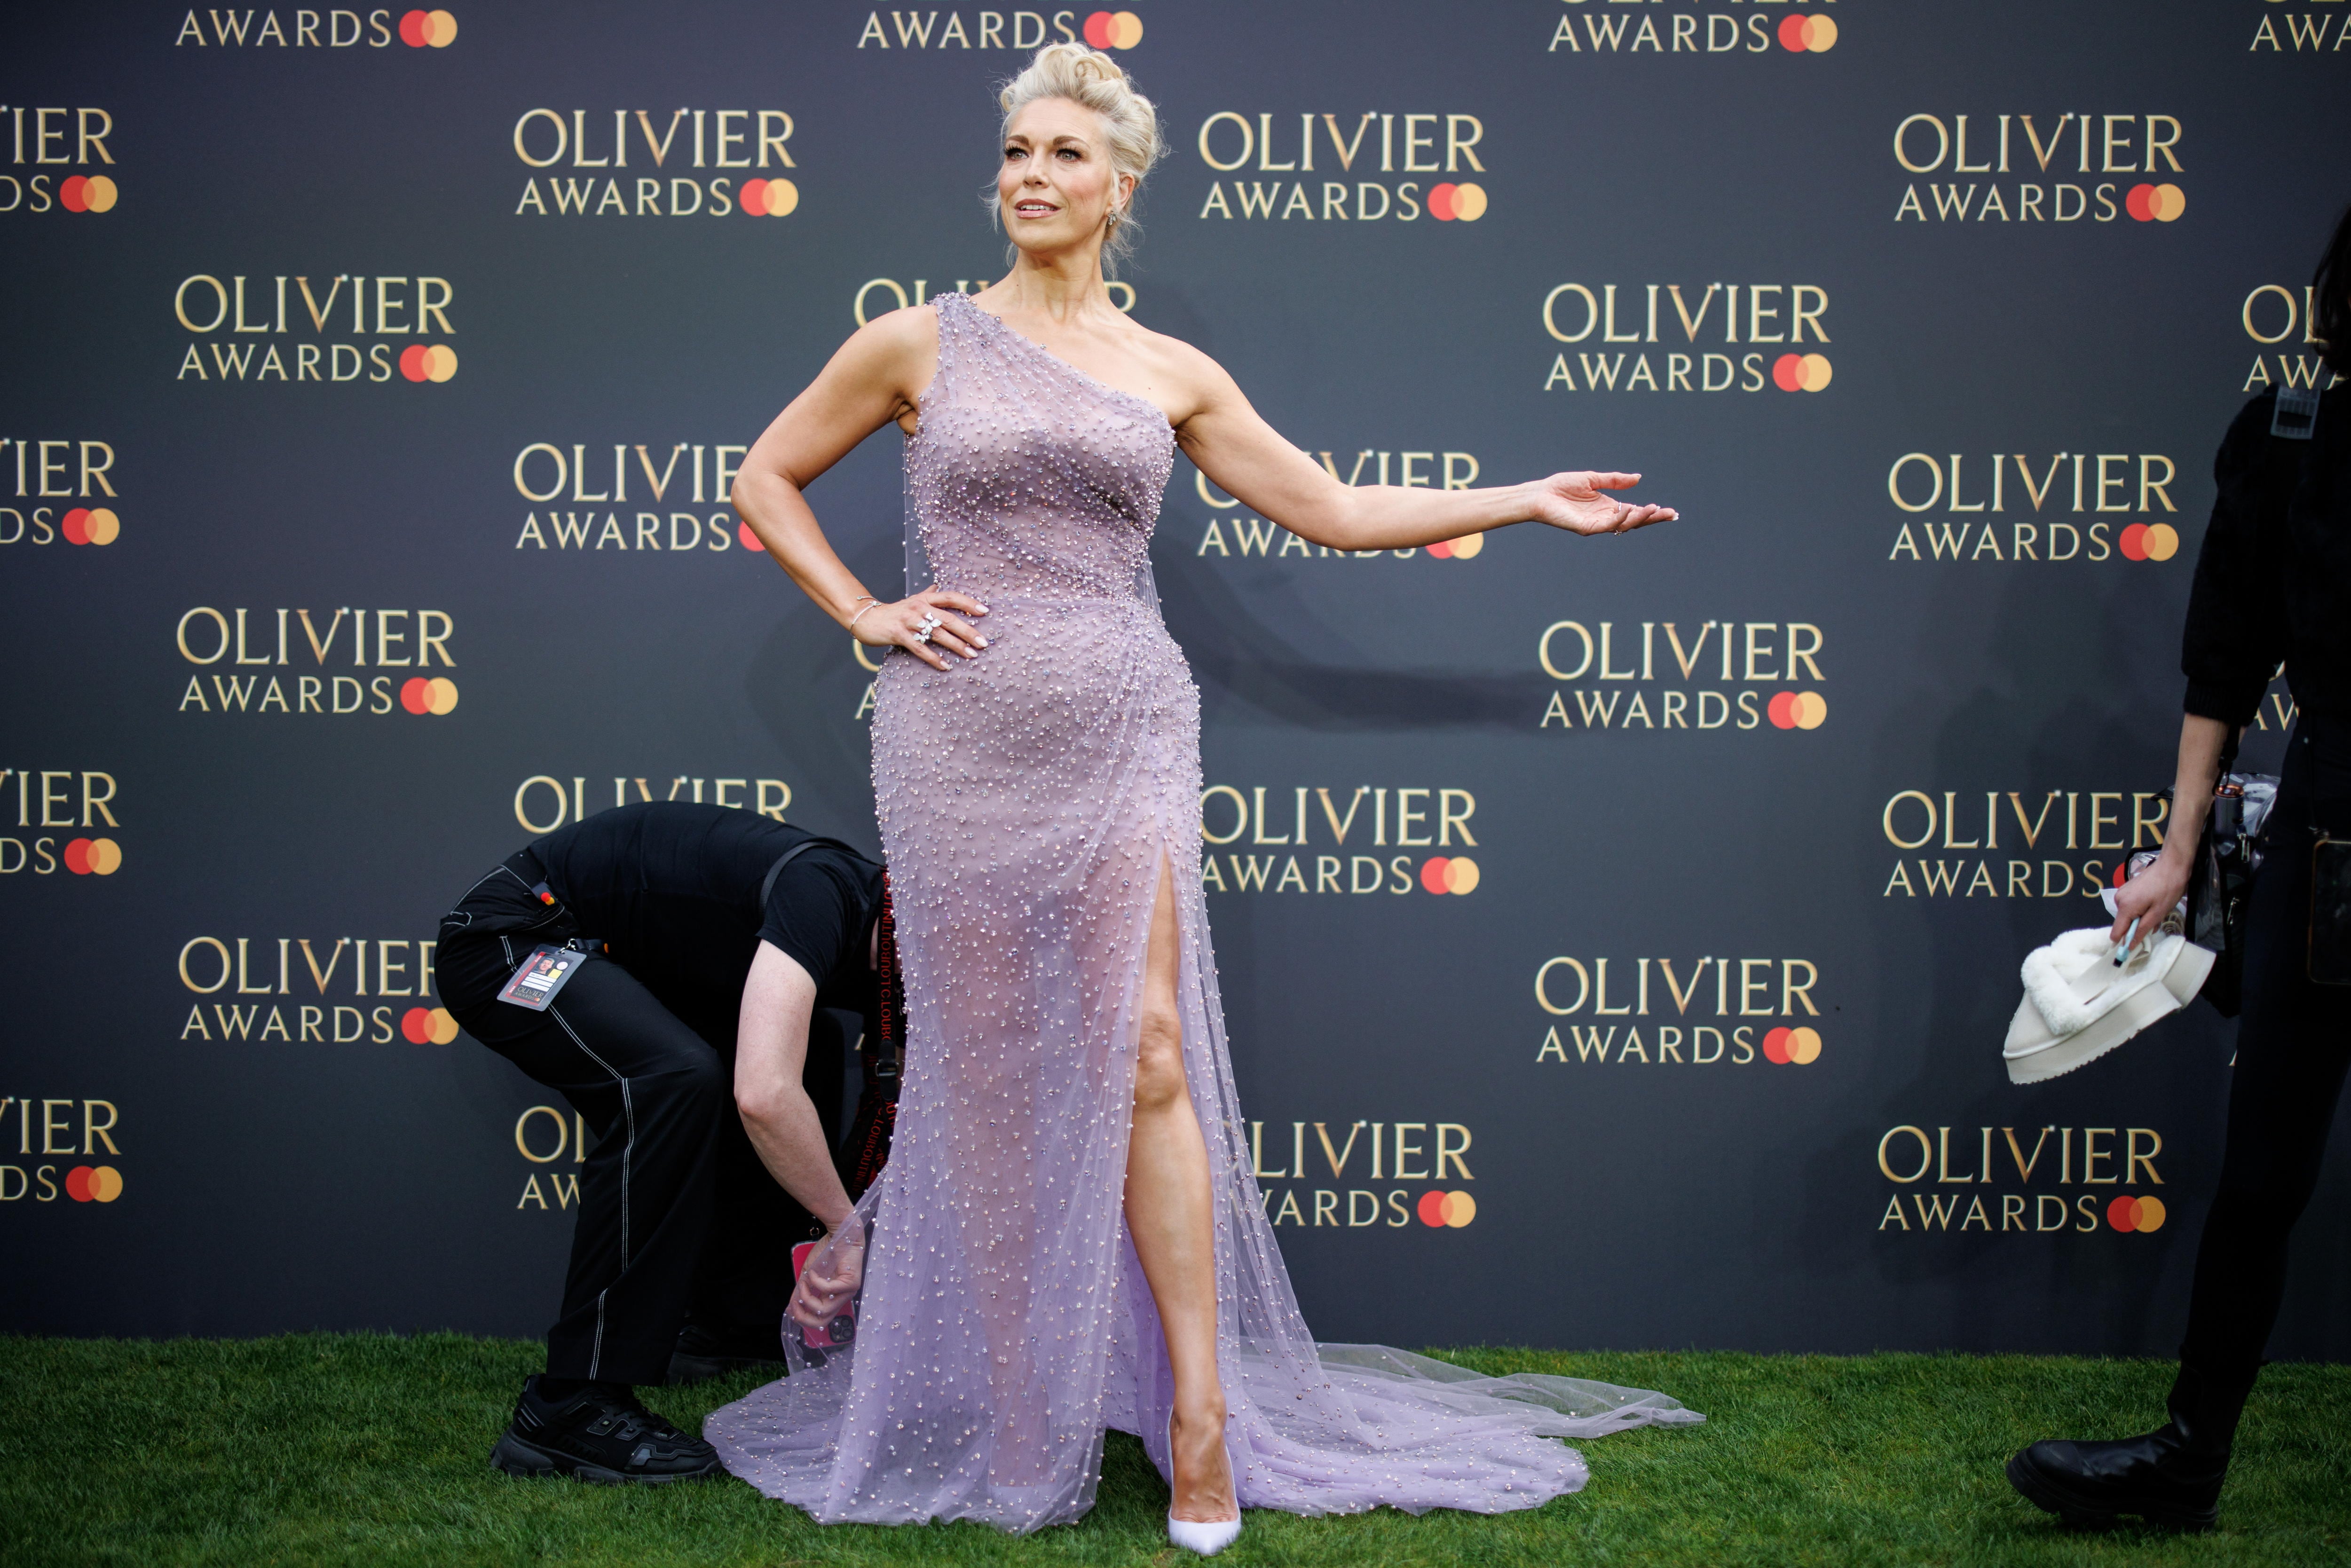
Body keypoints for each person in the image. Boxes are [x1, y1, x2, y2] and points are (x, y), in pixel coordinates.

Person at [712, 42, 1693, 1553]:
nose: (1032, 174)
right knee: (979, 1082)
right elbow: (766, 475)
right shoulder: (919, 341)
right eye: (1017, 151)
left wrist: (1523, 500)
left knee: (1152, 1054)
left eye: (1064, 155)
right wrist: (865, 609)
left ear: (1120, 187)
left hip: (1124, 729)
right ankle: (1020, 1407)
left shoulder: (1171, 371)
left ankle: (1200, 1418)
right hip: (955, 737)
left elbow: (1335, 509)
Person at [2007, 204, 2351, 1532]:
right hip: (2331, 836)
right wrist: (2176, 851)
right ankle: (2187, 1462)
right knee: (2262, 1172)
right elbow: (2227, 660)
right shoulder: (2295, 439)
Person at [435, 800, 896, 1484]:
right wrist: (845, 1229)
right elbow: (764, 1095)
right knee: (670, 1079)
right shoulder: (826, 892)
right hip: (514, 939)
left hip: (622, 960)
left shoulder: (895, 938)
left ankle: (728, 1323)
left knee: (814, 1044)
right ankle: (570, 1404)